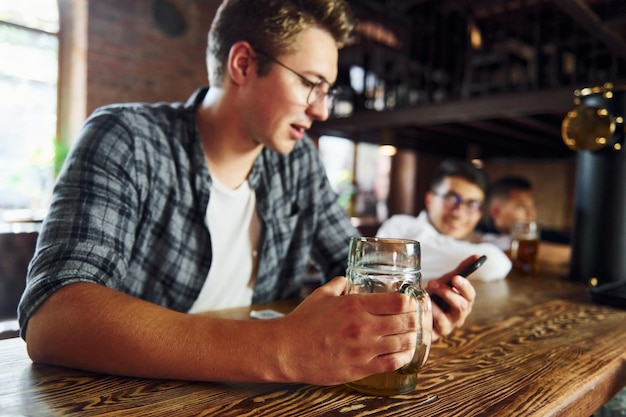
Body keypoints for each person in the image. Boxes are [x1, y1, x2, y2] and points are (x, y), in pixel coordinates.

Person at [17, 0, 477, 386]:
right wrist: (281, 348)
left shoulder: (297, 162)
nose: (320, 109)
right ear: (243, 64)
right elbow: (54, 317)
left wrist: (403, 309)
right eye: (310, 83)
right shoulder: (127, 138)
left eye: (327, 90)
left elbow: (350, 263)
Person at [377, 159, 512, 281]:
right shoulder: (402, 227)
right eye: (451, 199)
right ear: (429, 200)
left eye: (472, 205)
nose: (458, 213)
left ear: (479, 214)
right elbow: (493, 264)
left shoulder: (470, 240)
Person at [476, 175, 571, 267]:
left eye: (531, 206)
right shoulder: (478, 235)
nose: (531, 214)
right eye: (521, 207)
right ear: (496, 212)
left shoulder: (541, 234)